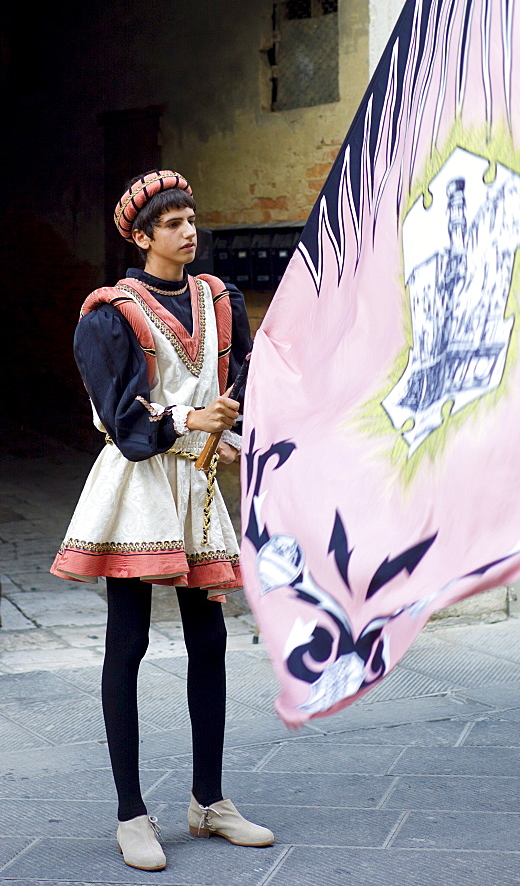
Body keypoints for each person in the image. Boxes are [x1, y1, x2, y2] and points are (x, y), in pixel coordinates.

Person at [51, 169, 274, 871]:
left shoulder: (220, 299)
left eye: (190, 219)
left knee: (208, 641)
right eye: (173, 223)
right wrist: (188, 418)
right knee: (129, 640)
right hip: (140, 484)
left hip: (196, 484)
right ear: (142, 236)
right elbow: (120, 422)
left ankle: (207, 802)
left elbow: (237, 382)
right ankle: (131, 815)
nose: (188, 231)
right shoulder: (109, 313)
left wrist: (230, 432)